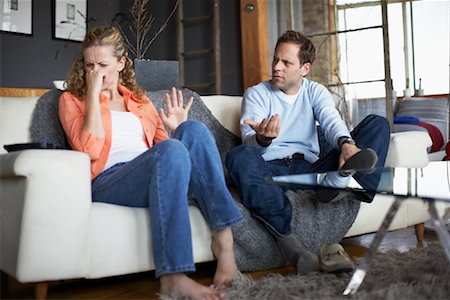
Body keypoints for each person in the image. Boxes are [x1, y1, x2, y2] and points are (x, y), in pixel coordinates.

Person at [58, 26, 243, 300]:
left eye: (103, 65)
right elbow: (89, 150)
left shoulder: (140, 101)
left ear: (121, 63)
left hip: (151, 172)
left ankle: (225, 243)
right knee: (171, 150)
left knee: (194, 131)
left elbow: (167, 154)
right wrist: (95, 96)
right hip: (109, 181)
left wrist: (177, 128)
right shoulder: (72, 100)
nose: (96, 72)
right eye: (89, 65)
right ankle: (173, 278)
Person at [225, 30, 390, 275]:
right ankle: (292, 247)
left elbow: (331, 120)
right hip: (272, 170)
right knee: (239, 156)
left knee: (378, 124)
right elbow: (250, 145)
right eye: (275, 59)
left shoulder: (315, 91)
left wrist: (346, 144)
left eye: (286, 62)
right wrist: (262, 139)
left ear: (305, 68)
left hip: (311, 169)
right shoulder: (256, 93)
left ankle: (340, 183)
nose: (277, 67)